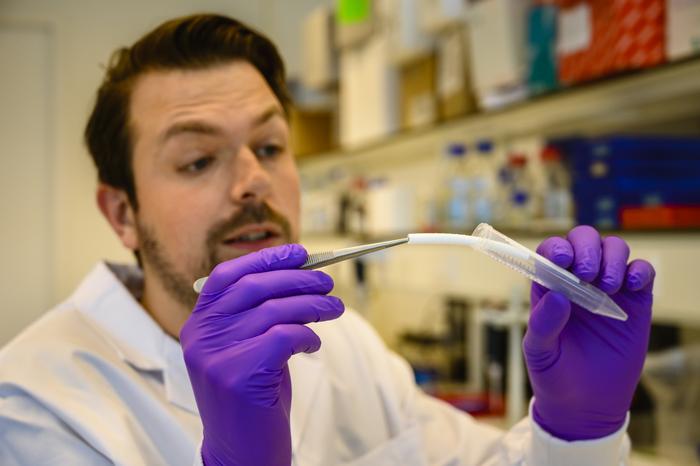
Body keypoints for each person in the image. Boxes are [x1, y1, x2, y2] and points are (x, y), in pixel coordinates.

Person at [0, 13, 656, 466]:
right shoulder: (34, 401)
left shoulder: (340, 342)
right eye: (198, 160)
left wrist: (575, 428)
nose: (253, 182)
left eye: (269, 146)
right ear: (121, 213)